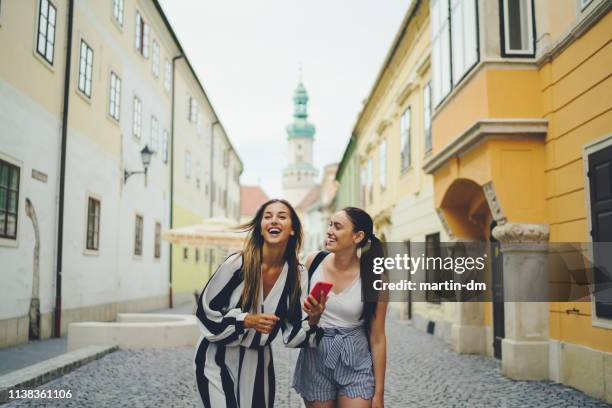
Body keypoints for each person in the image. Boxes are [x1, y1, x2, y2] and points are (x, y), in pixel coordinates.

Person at [194, 199, 326, 408]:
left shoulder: (297, 275)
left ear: (292, 229)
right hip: (215, 359)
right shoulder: (238, 264)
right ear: (261, 228)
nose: (274, 220)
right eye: (267, 216)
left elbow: (292, 335)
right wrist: (245, 320)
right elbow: (205, 311)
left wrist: (313, 319)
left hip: (257, 363)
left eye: (282, 216)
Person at [294, 207, 388, 408]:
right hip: (316, 356)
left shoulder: (375, 278)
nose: (329, 230)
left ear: (358, 236)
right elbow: (297, 316)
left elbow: (378, 337)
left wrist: (378, 394)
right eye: (330, 224)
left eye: (337, 226)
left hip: (356, 359)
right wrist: (313, 317)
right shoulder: (313, 261)